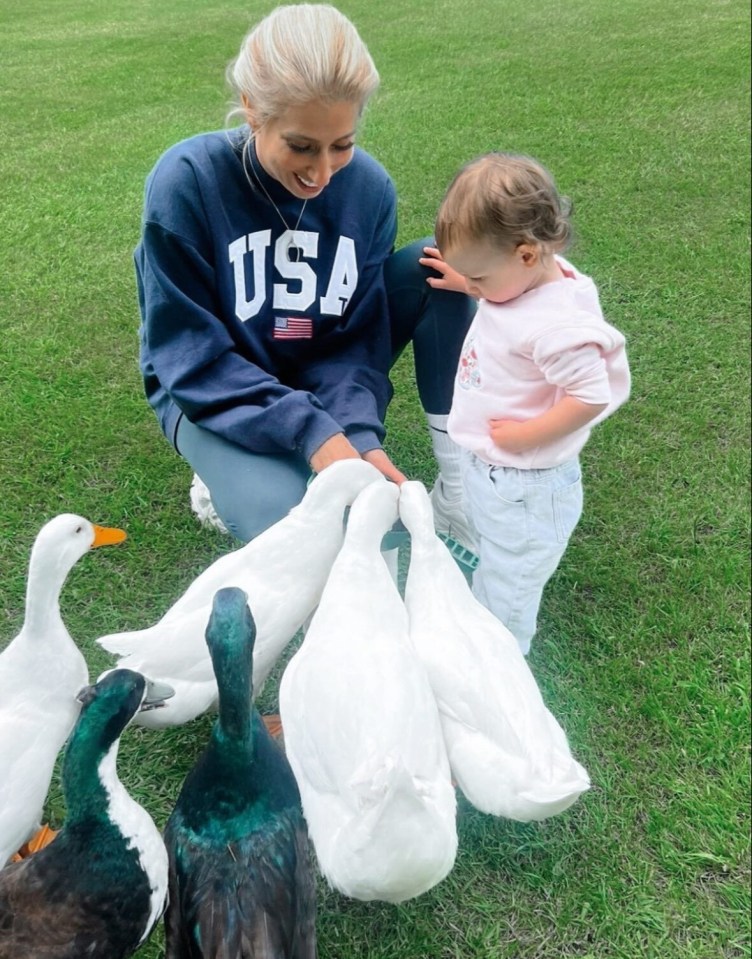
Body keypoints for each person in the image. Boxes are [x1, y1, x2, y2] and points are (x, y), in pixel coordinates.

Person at [135, 3, 476, 550]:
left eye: (341, 145)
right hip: (208, 385)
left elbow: (355, 340)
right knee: (300, 531)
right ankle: (227, 458)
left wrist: (357, 437)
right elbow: (191, 357)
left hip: (311, 357)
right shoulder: (187, 182)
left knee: (437, 267)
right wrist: (314, 432)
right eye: (300, 146)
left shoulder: (368, 189)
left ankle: (460, 491)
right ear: (252, 109)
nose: (321, 173)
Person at [426, 152, 630, 654]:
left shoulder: (559, 328)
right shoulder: (526, 277)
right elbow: (500, 289)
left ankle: (498, 665)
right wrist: (469, 282)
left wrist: (525, 435)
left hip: (526, 484)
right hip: (498, 471)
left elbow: (590, 394)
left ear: (525, 254)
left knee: (509, 588)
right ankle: (485, 595)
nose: (474, 288)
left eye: (478, 278)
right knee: (495, 550)